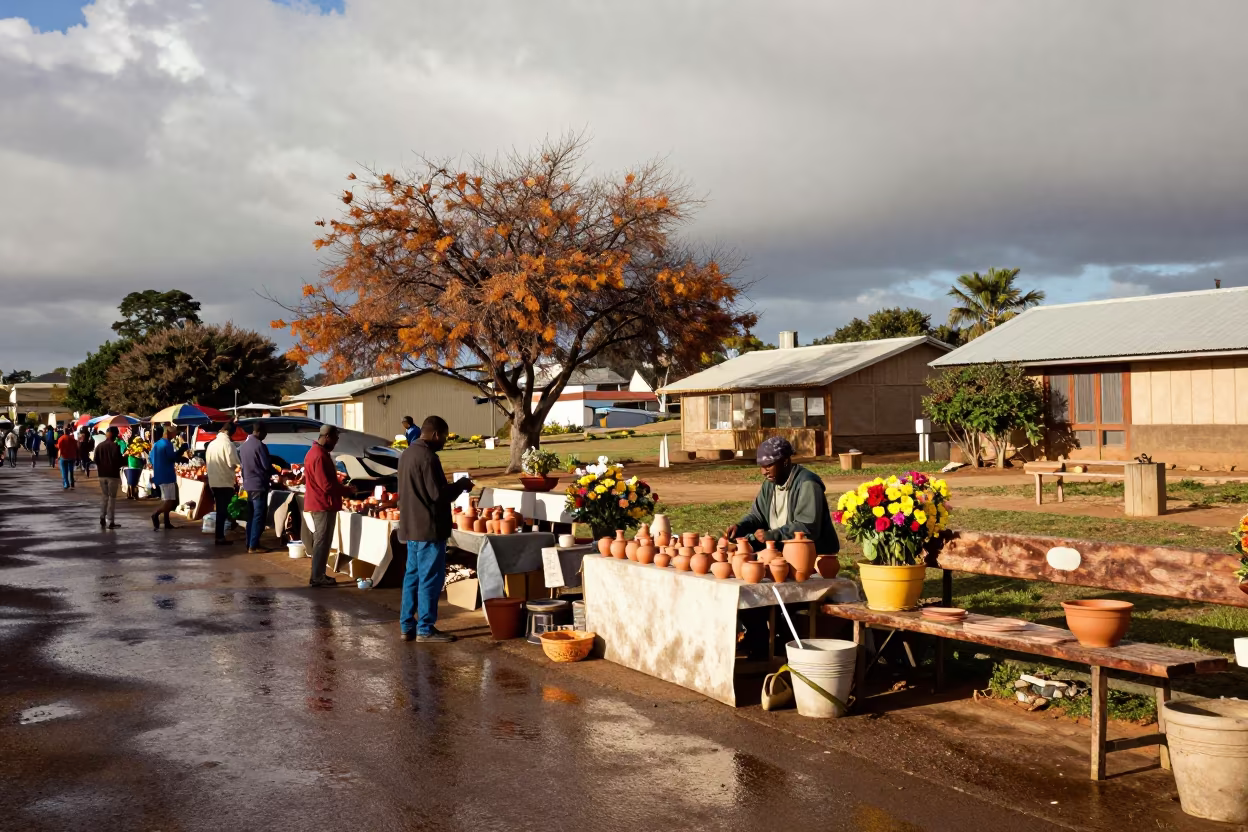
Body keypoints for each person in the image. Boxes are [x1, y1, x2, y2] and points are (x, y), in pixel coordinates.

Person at [397, 415, 474, 643]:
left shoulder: (407, 454)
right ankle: (425, 629)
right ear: (437, 434)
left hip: (411, 527)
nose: (445, 442)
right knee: (429, 578)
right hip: (428, 529)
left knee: (412, 577)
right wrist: (460, 486)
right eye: (445, 437)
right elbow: (437, 495)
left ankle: (406, 626)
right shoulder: (428, 458)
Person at [724, 436, 840, 556]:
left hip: (812, 554)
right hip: (780, 549)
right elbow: (757, 516)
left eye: (768, 465)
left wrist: (774, 535)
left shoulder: (808, 484)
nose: (764, 472)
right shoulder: (769, 484)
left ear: (785, 462)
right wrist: (741, 527)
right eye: (762, 466)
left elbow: (807, 527)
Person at [303, 425, 353, 587]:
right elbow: (326, 486)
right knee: (322, 541)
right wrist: (346, 490)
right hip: (322, 504)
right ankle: (317, 576)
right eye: (336, 439)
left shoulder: (318, 453)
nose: (336, 443)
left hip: (322, 502)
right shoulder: (319, 455)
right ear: (328, 437)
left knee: (322, 540)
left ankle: (319, 575)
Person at [206, 422, 242, 546]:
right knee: (222, 510)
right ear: (230, 432)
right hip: (224, 481)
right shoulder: (228, 445)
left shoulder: (212, 444)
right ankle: (220, 537)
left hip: (213, 481)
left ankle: (225, 529)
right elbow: (234, 463)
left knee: (220, 508)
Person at [239, 422, 273, 553]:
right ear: (259, 431)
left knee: (251, 515)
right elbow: (266, 466)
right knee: (259, 515)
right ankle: (254, 545)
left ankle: (249, 543)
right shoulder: (260, 446)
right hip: (259, 485)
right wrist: (275, 471)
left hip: (248, 484)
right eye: (265, 433)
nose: (265, 436)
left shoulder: (243, 446)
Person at [149, 425, 179, 529]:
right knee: (170, 501)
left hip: (159, 474)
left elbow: (151, 458)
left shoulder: (157, 444)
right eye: (174, 433)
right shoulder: (167, 444)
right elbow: (172, 457)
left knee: (166, 499)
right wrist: (180, 451)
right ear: (169, 433)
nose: (175, 435)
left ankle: (167, 522)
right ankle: (156, 514)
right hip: (167, 475)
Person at [94, 426, 124, 529]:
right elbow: (119, 461)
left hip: (102, 475)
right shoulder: (115, 446)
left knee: (104, 496)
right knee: (112, 498)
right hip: (113, 476)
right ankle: (111, 521)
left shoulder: (99, 446)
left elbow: (95, 460)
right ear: (115, 435)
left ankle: (102, 516)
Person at [122, 434, 144, 500]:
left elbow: (124, 455)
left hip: (133, 465)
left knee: (131, 480)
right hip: (137, 466)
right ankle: (133, 495)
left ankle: (131, 495)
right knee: (134, 481)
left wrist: (129, 453)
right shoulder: (141, 447)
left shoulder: (134, 447)